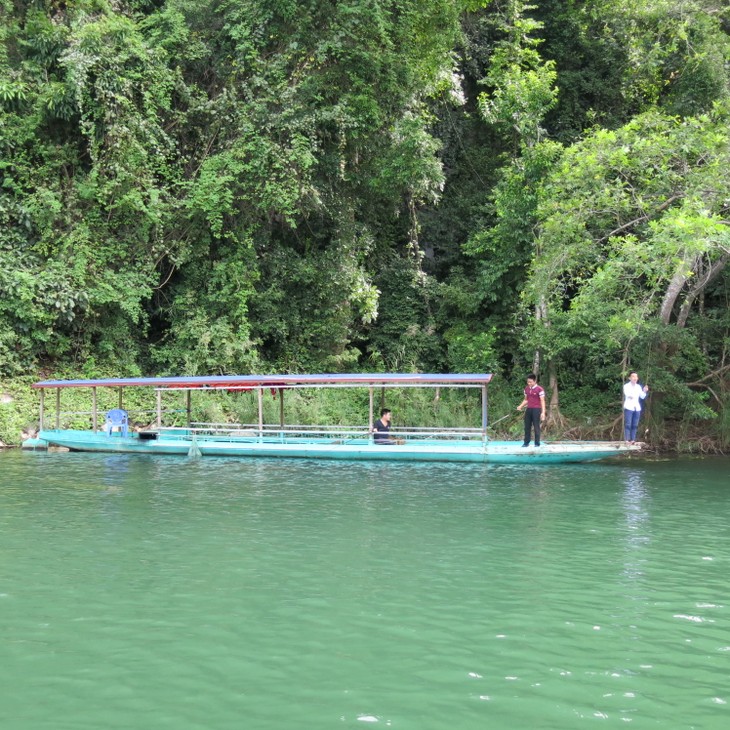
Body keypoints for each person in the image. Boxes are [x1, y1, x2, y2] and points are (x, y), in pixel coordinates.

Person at [517, 373, 546, 447]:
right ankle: (526, 443)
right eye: (528, 382)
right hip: (529, 409)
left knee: (536, 426)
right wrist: (520, 406)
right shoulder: (526, 389)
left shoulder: (540, 389)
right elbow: (526, 400)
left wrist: (543, 412)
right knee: (527, 426)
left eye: (530, 382)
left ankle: (537, 443)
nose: (529, 383)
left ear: (535, 381)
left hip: (536, 409)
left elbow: (542, 401)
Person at [623, 371, 649, 443]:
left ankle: (633, 439)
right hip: (629, 407)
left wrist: (644, 391)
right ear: (629, 378)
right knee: (628, 424)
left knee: (635, 425)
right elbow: (628, 394)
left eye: (636, 377)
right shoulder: (626, 386)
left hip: (637, 408)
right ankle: (627, 440)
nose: (635, 378)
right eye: (633, 376)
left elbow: (642, 397)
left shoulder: (638, 387)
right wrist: (633, 395)